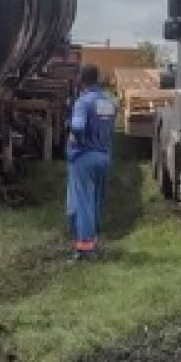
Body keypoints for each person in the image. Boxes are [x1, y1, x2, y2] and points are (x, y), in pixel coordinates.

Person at [65, 64, 116, 260]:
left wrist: (74, 140)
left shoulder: (83, 102)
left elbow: (78, 127)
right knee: (95, 201)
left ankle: (85, 249)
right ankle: (93, 241)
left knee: (82, 201)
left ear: (81, 79)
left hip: (84, 157)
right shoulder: (108, 102)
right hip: (103, 156)